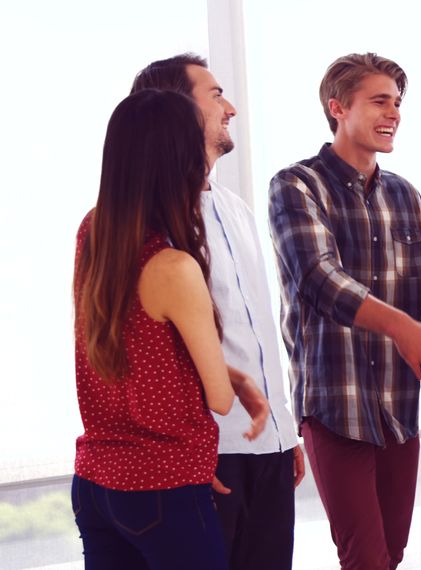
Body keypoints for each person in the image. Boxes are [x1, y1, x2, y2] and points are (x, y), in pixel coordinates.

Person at [268, 52, 421, 570]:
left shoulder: (405, 196)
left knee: (391, 554)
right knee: (365, 558)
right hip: (333, 405)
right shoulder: (296, 186)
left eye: (397, 102)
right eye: (378, 101)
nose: (393, 112)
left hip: (398, 404)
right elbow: (319, 280)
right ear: (337, 108)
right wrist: (403, 326)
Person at [71, 89, 268, 569]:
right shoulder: (174, 267)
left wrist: (233, 376)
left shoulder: (93, 232)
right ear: (178, 159)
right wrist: (232, 381)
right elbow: (218, 400)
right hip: (163, 489)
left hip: (97, 484)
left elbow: (140, 350)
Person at [129, 53, 306, 569]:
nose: (230, 108)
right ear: (175, 111)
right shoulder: (147, 226)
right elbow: (140, 353)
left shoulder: (236, 208)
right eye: (214, 95)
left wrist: (285, 432)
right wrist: (183, 451)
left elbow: (257, 334)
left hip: (267, 449)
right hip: (206, 455)